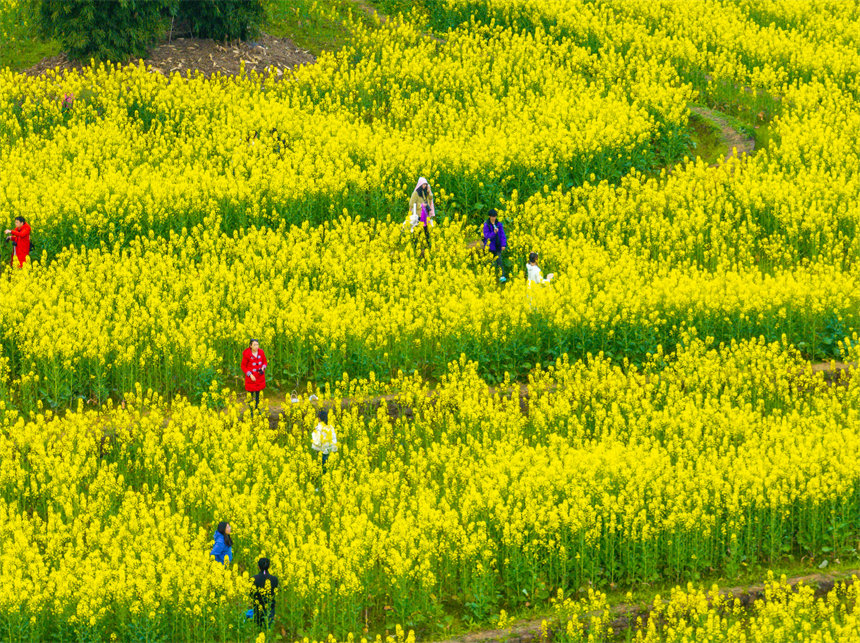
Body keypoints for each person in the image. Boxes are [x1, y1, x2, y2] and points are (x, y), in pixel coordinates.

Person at [407, 177, 435, 251]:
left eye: (426, 184)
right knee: (418, 230)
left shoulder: (424, 192)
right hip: (419, 215)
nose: (425, 186)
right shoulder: (416, 193)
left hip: (425, 215)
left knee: (426, 230)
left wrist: (429, 191)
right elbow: (411, 203)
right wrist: (421, 205)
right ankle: (415, 245)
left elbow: (431, 198)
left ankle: (428, 245)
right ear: (420, 184)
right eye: (424, 184)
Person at [251, 557, 279, 628]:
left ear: (258, 566)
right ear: (269, 566)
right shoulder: (274, 579)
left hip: (257, 610)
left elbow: (251, 594)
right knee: (268, 628)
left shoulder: (253, 579)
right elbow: (275, 593)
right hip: (270, 609)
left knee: (258, 628)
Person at [241, 339, 267, 415]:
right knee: (250, 396)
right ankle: (251, 411)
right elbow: (243, 366)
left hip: (259, 378)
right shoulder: (247, 354)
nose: (256, 346)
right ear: (250, 346)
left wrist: (263, 368)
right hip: (251, 379)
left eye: (257, 345)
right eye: (254, 345)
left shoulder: (261, 352)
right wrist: (250, 375)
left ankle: (258, 409)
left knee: (258, 395)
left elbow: (265, 362)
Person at [482, 209, 507, 282]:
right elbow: (486, 236)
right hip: (489, 247)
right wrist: (494, 233)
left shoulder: (499, 224)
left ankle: (502, 277)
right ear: (489, 216)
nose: (494, 218)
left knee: (499, 261)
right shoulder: (486, 225)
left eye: (495, 216)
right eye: (492, 216)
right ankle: (488, 277)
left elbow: (502, 235)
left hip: (497, 246)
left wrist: (503, 244)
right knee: (489, 263)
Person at [312, 409, 338, 474]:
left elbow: (316, 442)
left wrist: (317, 452)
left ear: (319, 419)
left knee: (324, 471)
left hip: (323, 453)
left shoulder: (318, 428)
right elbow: (334, 439)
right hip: (332, 452)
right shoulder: (331, 427)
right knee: (331, 470)